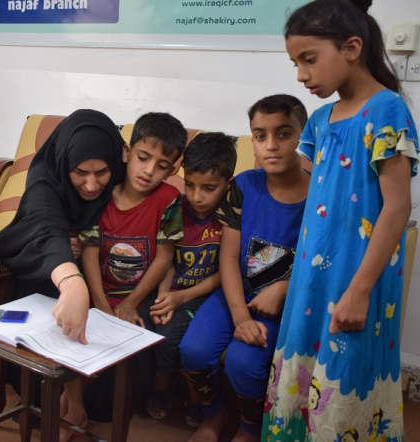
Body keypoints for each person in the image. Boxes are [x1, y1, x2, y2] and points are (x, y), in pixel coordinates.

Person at [262, 1, 419, 441]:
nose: (301, 75)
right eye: (295, 63)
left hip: (358, 278)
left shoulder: (386, 110)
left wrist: (359, 291)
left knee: (345, 374)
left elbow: (397, 207)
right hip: (312, 276)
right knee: (301, 376)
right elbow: (317, 204)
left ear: (352, 48)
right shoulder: (319, 120)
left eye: (309, 59)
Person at [0, 109, 126, 387]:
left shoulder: (126, 180)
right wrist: (72, 282)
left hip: (105, 268)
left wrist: (90, 244)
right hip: (43, 264)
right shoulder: (44, 179)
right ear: (64, 163)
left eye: (102, 172)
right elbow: (45, 227)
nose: (91, 185)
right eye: (80, 172)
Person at [180, 94, 310, 442]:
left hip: (286, 307)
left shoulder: (319, 195)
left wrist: (285, 289)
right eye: (260, 135)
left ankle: (251, 428)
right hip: (236, 295)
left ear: (304, 135)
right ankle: (214, 415)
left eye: (284, 134)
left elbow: (322, 264)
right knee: (193, 350)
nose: (271, 145)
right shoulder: (243, 186)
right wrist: (240, 317)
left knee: (244, 362)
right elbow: (228, 258)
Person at [57, 112, 187, 441]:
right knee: (72, 331)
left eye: (161, 165)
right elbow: (89, 251)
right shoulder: (102, 194)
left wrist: (129, 304)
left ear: (172, 170)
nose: (149, 170)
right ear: (127, 152)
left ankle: (74, 405)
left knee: (119, 338)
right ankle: (73, 407)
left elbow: (164, 257)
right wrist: (100, 303)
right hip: (98, 289)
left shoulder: (168, 199)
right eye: (143, 157)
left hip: (137, 295)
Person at [144, 132, 237, 425]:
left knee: (184, 338)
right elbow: (168, 260)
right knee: (162, 331)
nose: (197, 196)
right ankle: (163, 384)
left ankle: (194, 396)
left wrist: (180, 297)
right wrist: (165, 295)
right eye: (190, 185)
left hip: (211, 295)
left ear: (228, 184)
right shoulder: (177, 208)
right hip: (175, 290)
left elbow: (226, 271)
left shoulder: (231, 217)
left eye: (209, 188)